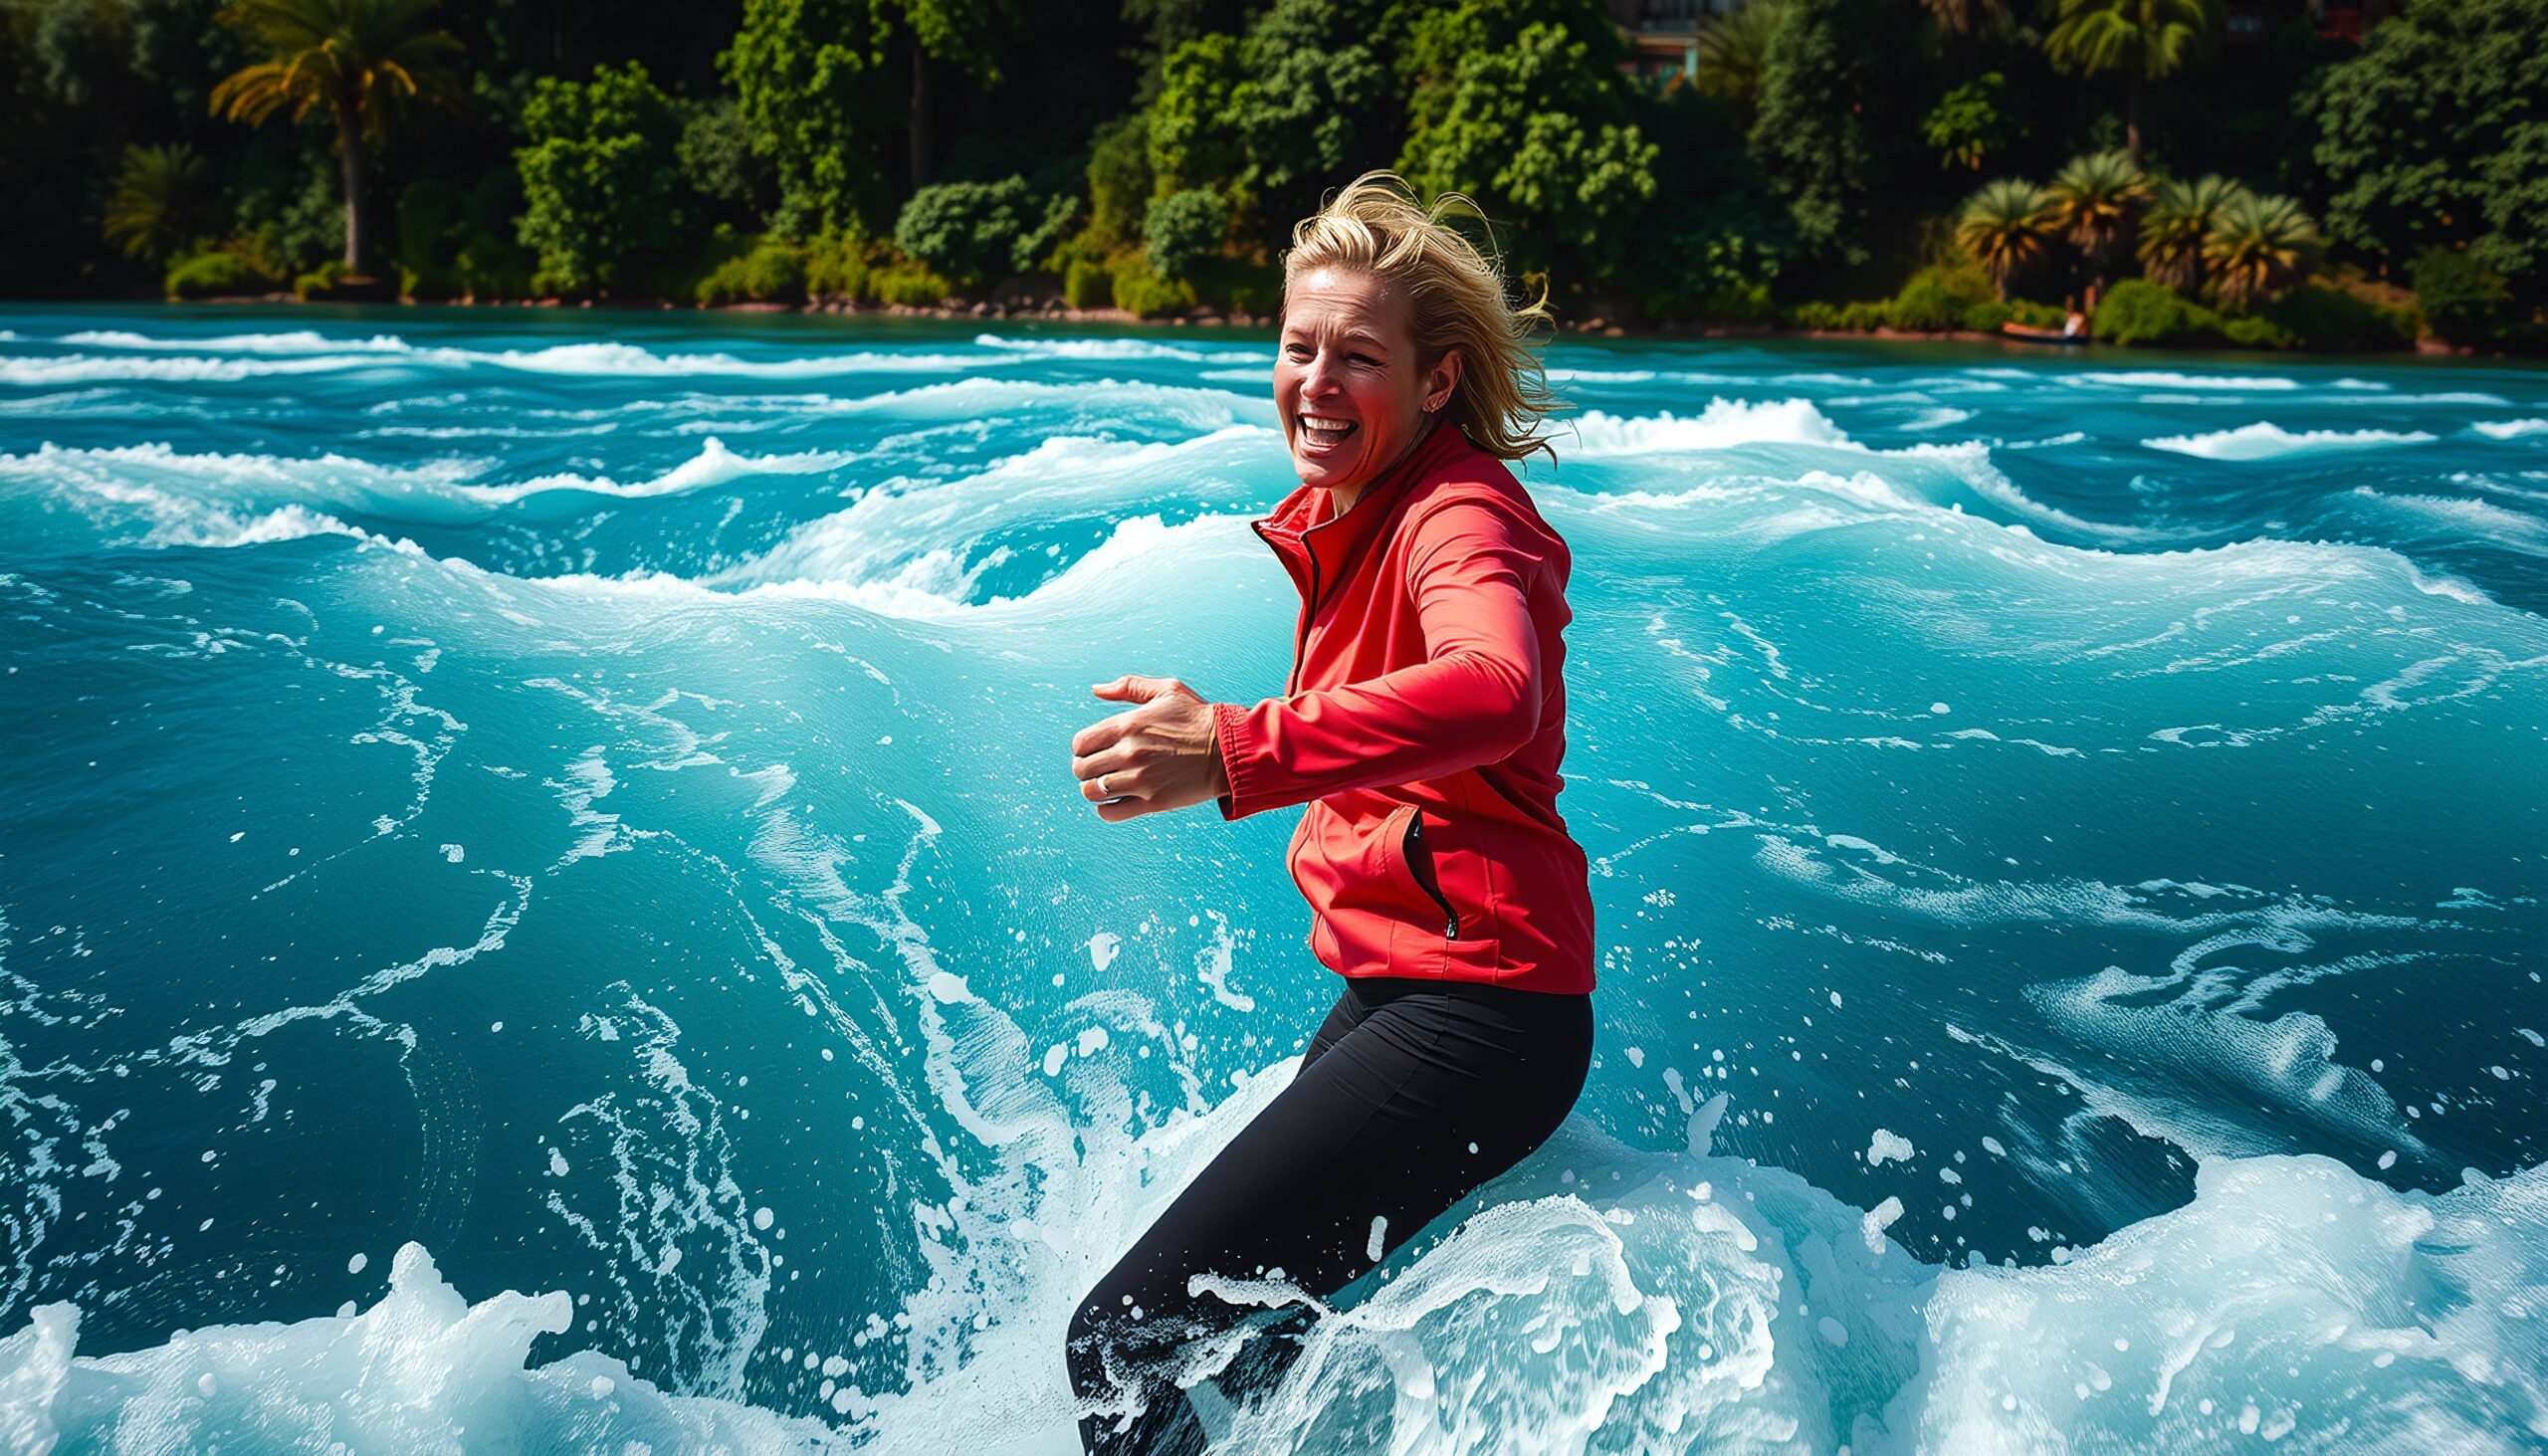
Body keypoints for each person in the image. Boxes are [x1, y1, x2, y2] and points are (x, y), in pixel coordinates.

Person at [1061, 171, 1596, 1453]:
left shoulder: (1459, 514)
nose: (1317, 380)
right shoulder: (1358, 514)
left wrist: (1234, 750)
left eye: (1360, 355)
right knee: (1246, 1345)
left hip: (1486, 1014)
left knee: (1118, 1344)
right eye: (1300, 347)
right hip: (1406, 992)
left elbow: (1497, 688)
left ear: (1438, 381)